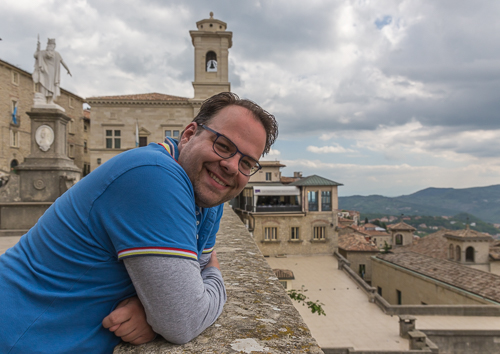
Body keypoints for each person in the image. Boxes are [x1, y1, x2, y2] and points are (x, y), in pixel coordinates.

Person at [0, 92, 278, 353]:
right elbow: (184, 320)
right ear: (189, 134)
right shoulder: (153, 175)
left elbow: (191, 284)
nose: (231, 165)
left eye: (246, 163)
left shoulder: (210, 197)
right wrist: (214, 280)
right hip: (21, 334)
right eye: (223, 145)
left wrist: (153, 312)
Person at [33, 38, 72, 105]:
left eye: (52, 44)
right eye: (50, 44)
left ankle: (50, 101)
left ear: (54, 46)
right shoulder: (42, 52)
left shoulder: (56, 54)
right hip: (44, 71)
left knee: (50, 86)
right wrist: (37, 48)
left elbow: (62, 62)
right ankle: (44, 100)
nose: (51, 45)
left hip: (52, 73)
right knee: (44, 84)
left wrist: (68, 69)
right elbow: (36, 55)